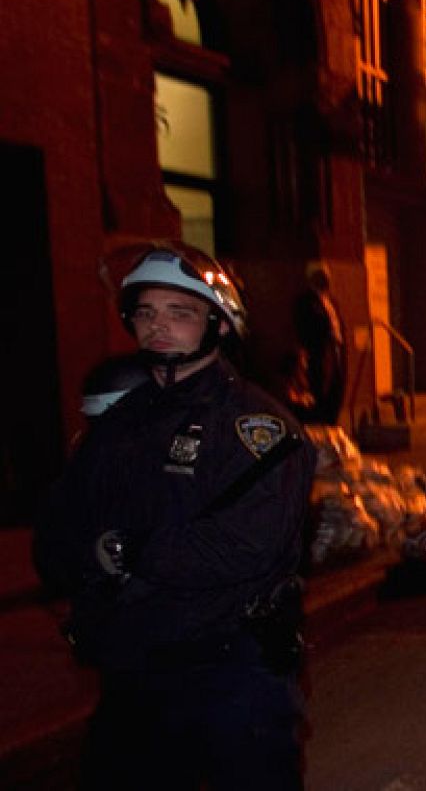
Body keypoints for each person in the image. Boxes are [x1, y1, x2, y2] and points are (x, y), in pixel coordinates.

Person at [33, 244, 316, 790]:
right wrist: (82, 557)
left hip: (230, 672)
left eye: (179, 313)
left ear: (217, 323)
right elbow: (60, 525)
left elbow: (248, 544)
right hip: (135, 670)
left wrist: (133, 550)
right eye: (146, 313)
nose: (158, 326)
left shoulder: (258, 428)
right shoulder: (119, 425)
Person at [289, 261, 346, 425]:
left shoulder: (331, 301)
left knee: (335, 389)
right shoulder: (305, 302)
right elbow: (304, 329)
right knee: (319, 390)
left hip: (335, 351)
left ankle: (332, 421)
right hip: (318, 353)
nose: (326, 280)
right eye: (322, 276)